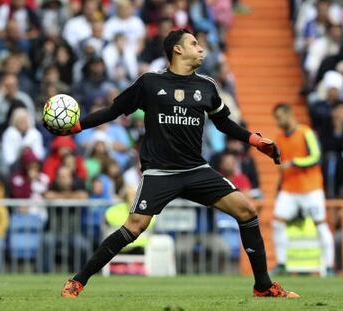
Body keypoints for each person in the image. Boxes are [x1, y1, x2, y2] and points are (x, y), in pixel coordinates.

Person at [48, 29, 299, 299]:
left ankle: (263, 286)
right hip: (160, 172)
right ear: (177, 50)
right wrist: (78, 127)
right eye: (194, 43)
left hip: (196, 169)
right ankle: (78, 281)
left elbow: (224, 123)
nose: (200, 48)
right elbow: (114, 110)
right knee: (134, 227)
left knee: (247, 211)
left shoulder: (207, 86)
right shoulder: (150, 83)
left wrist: (255, 140)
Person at [271, 103, 335, 276]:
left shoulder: (306, 132)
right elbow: (282, 165)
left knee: (320, 225)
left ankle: (328, 267)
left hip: (310, 188)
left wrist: (294, 162)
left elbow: (315, 157)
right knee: (277, 223)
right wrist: (279, 187)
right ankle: (282, 263)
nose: (277, 121)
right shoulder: (279, 137)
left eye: (279, 117)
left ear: (289, 114)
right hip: (289, 189)